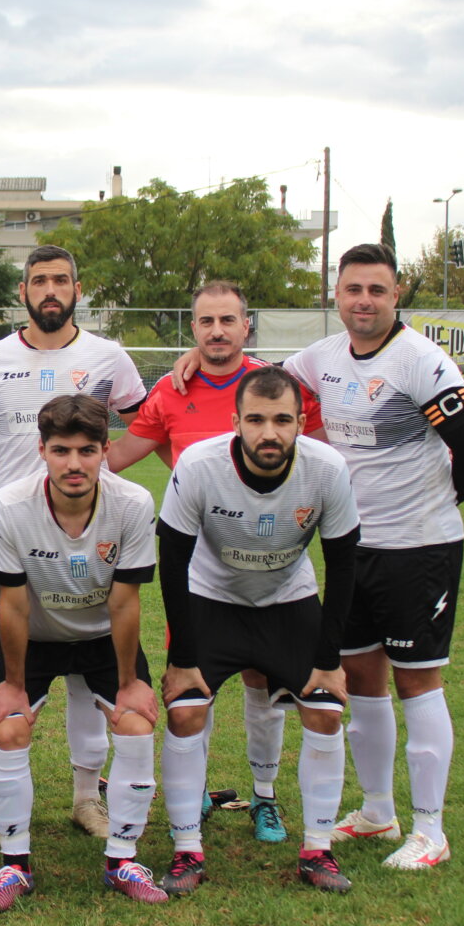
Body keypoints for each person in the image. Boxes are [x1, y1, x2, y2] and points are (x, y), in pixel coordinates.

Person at [171, 243, 464, 869]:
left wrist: (430, 507)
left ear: (396, 295)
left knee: (417, 680)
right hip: (351, 549)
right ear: (337, 296)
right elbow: (261, 380)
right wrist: (197, 357)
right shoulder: (321, 357)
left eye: (377, 290)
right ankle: (377, 811)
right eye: (353, 289)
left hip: (416, 547)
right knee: (362, 680)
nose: (364, 301)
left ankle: (430, 830)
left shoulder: (423, 362)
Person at [110, 280, 324, 844]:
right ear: (193, 328)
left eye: (228, 320)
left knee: (263, 682)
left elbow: (322, 451)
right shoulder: (170, 389)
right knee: (192, 686)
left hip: (272, 565)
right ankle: (197, 791)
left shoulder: (275, 387)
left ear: (246, 326)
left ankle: (265, 797)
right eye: (206, 321)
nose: (217, 331)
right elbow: (122, 453)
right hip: (200, 570)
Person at [0, 245, 148, 840]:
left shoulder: (108, 356)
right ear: (24, 292)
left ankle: (88, 800)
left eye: (61, 280)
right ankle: (10, 809)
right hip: (18, 535)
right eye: (39, 281)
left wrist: (103, 478)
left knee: (91, 676)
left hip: (91, 529)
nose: (51, 290)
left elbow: (148, 423)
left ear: (77, 290)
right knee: (19, 667)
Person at [157, 366, 360, 896]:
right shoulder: (199, 465)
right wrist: (182, 658)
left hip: (287, 600)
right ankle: (187, 850)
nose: (269, 433)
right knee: (185, 710)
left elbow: (344, 565)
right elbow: (172, 560)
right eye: (256, 420)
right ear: (236, 422)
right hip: (212, 598)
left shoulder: (327, 469)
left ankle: (318, 850)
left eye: (282, 420)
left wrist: (329, 661)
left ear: (301, 423)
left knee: (324, 710)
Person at [0, 394, 165, 911]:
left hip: (103, 635)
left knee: (135, 722)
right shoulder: (11, 504)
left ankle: (123, 860)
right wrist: (12, 684)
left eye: (87, 450)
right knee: (9, 726)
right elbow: (12, 605)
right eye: (61, 450)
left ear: (106, 450)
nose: (74, 464)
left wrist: (129, 683)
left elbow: (125, 602)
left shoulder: (133, 503)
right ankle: (14, 864)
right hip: (34, 636)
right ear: (42, 450)